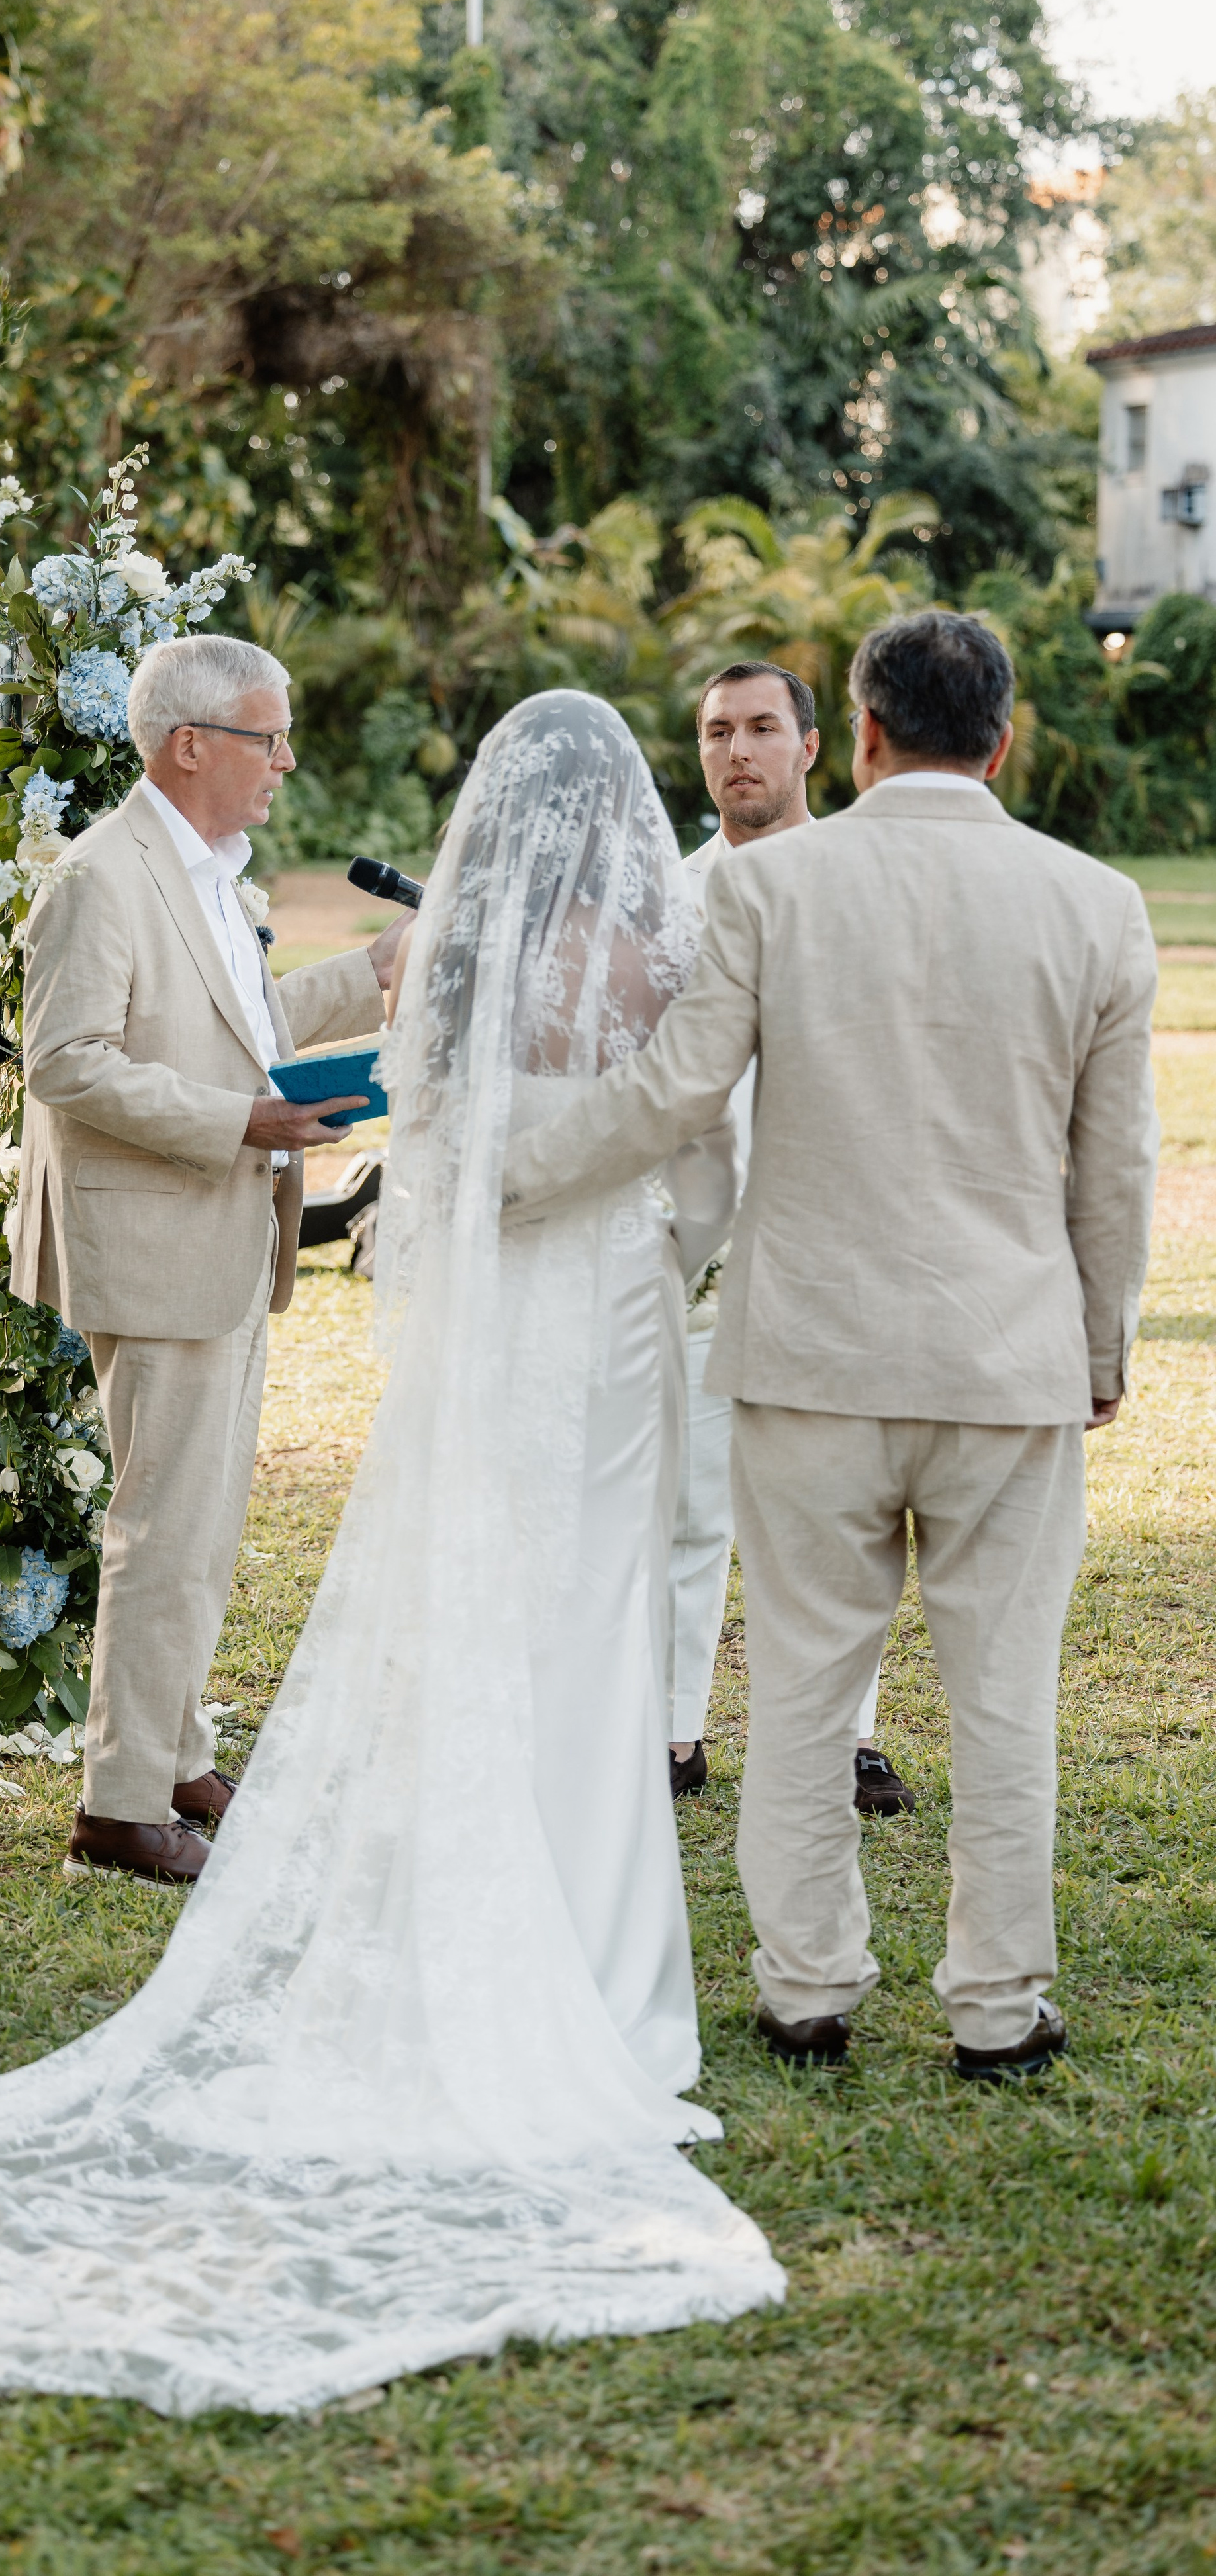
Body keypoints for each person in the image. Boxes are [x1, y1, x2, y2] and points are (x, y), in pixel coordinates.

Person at [0, 691, 780, 2415]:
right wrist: (662, 1230)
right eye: (264, 736)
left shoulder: (453, 956)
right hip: (594, 1317)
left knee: (478, 1614)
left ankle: (445, 1911)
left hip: (498, 1334)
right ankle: (571, 1964)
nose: (282, 758)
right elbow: (693, 1147)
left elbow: (409, 1122)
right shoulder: (644, 962)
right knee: (578, 1629)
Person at [502, 614, 1158, 2082]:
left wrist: (508, 1179)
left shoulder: (768, 886)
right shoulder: (1098, 903)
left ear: (855, 736)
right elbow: (1113, 1168)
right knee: (1005, 1702)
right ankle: (997, 2006)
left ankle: (805, 1990)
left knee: (799, 1689)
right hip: (1008, 1363)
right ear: (1003, 740)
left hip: (807, 1356)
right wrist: (1100, 1347)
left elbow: (674, 1096)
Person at [9, 634, 408, 1885]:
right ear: (191, 745)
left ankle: (176, 1752)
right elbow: (66, 1063)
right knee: (162, 1526)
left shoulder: (211, 871)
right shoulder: (102, 876)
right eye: (268, 738)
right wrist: (243, 1122)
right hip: (154, 1236)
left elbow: (248, 1022)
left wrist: (372, 973)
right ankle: (121, 1805)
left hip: (225, 1234)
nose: (285, 762)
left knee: (205, 1522)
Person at [669, 662, 913, 1822]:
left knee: (838, 1521)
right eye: (719, 731)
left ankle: (846, 1738)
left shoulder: (871, 885)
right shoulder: (666, 899)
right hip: (697, 1258)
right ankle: (674, 1730)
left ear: (814, 746)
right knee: (687, 1511)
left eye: (763, 727)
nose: (739, 751)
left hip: (840, 1254)